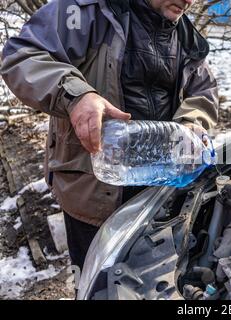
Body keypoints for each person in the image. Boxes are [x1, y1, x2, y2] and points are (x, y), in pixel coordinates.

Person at [0, 0, 218, 271]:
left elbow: (204, 91)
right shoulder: (89, 9)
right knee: (98, 279)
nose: (189, 0)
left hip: (159, 188)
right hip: (94, 186)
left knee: (149, 279)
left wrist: (191, 123)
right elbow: (22, 55)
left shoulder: (185, 34)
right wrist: (76, 94)